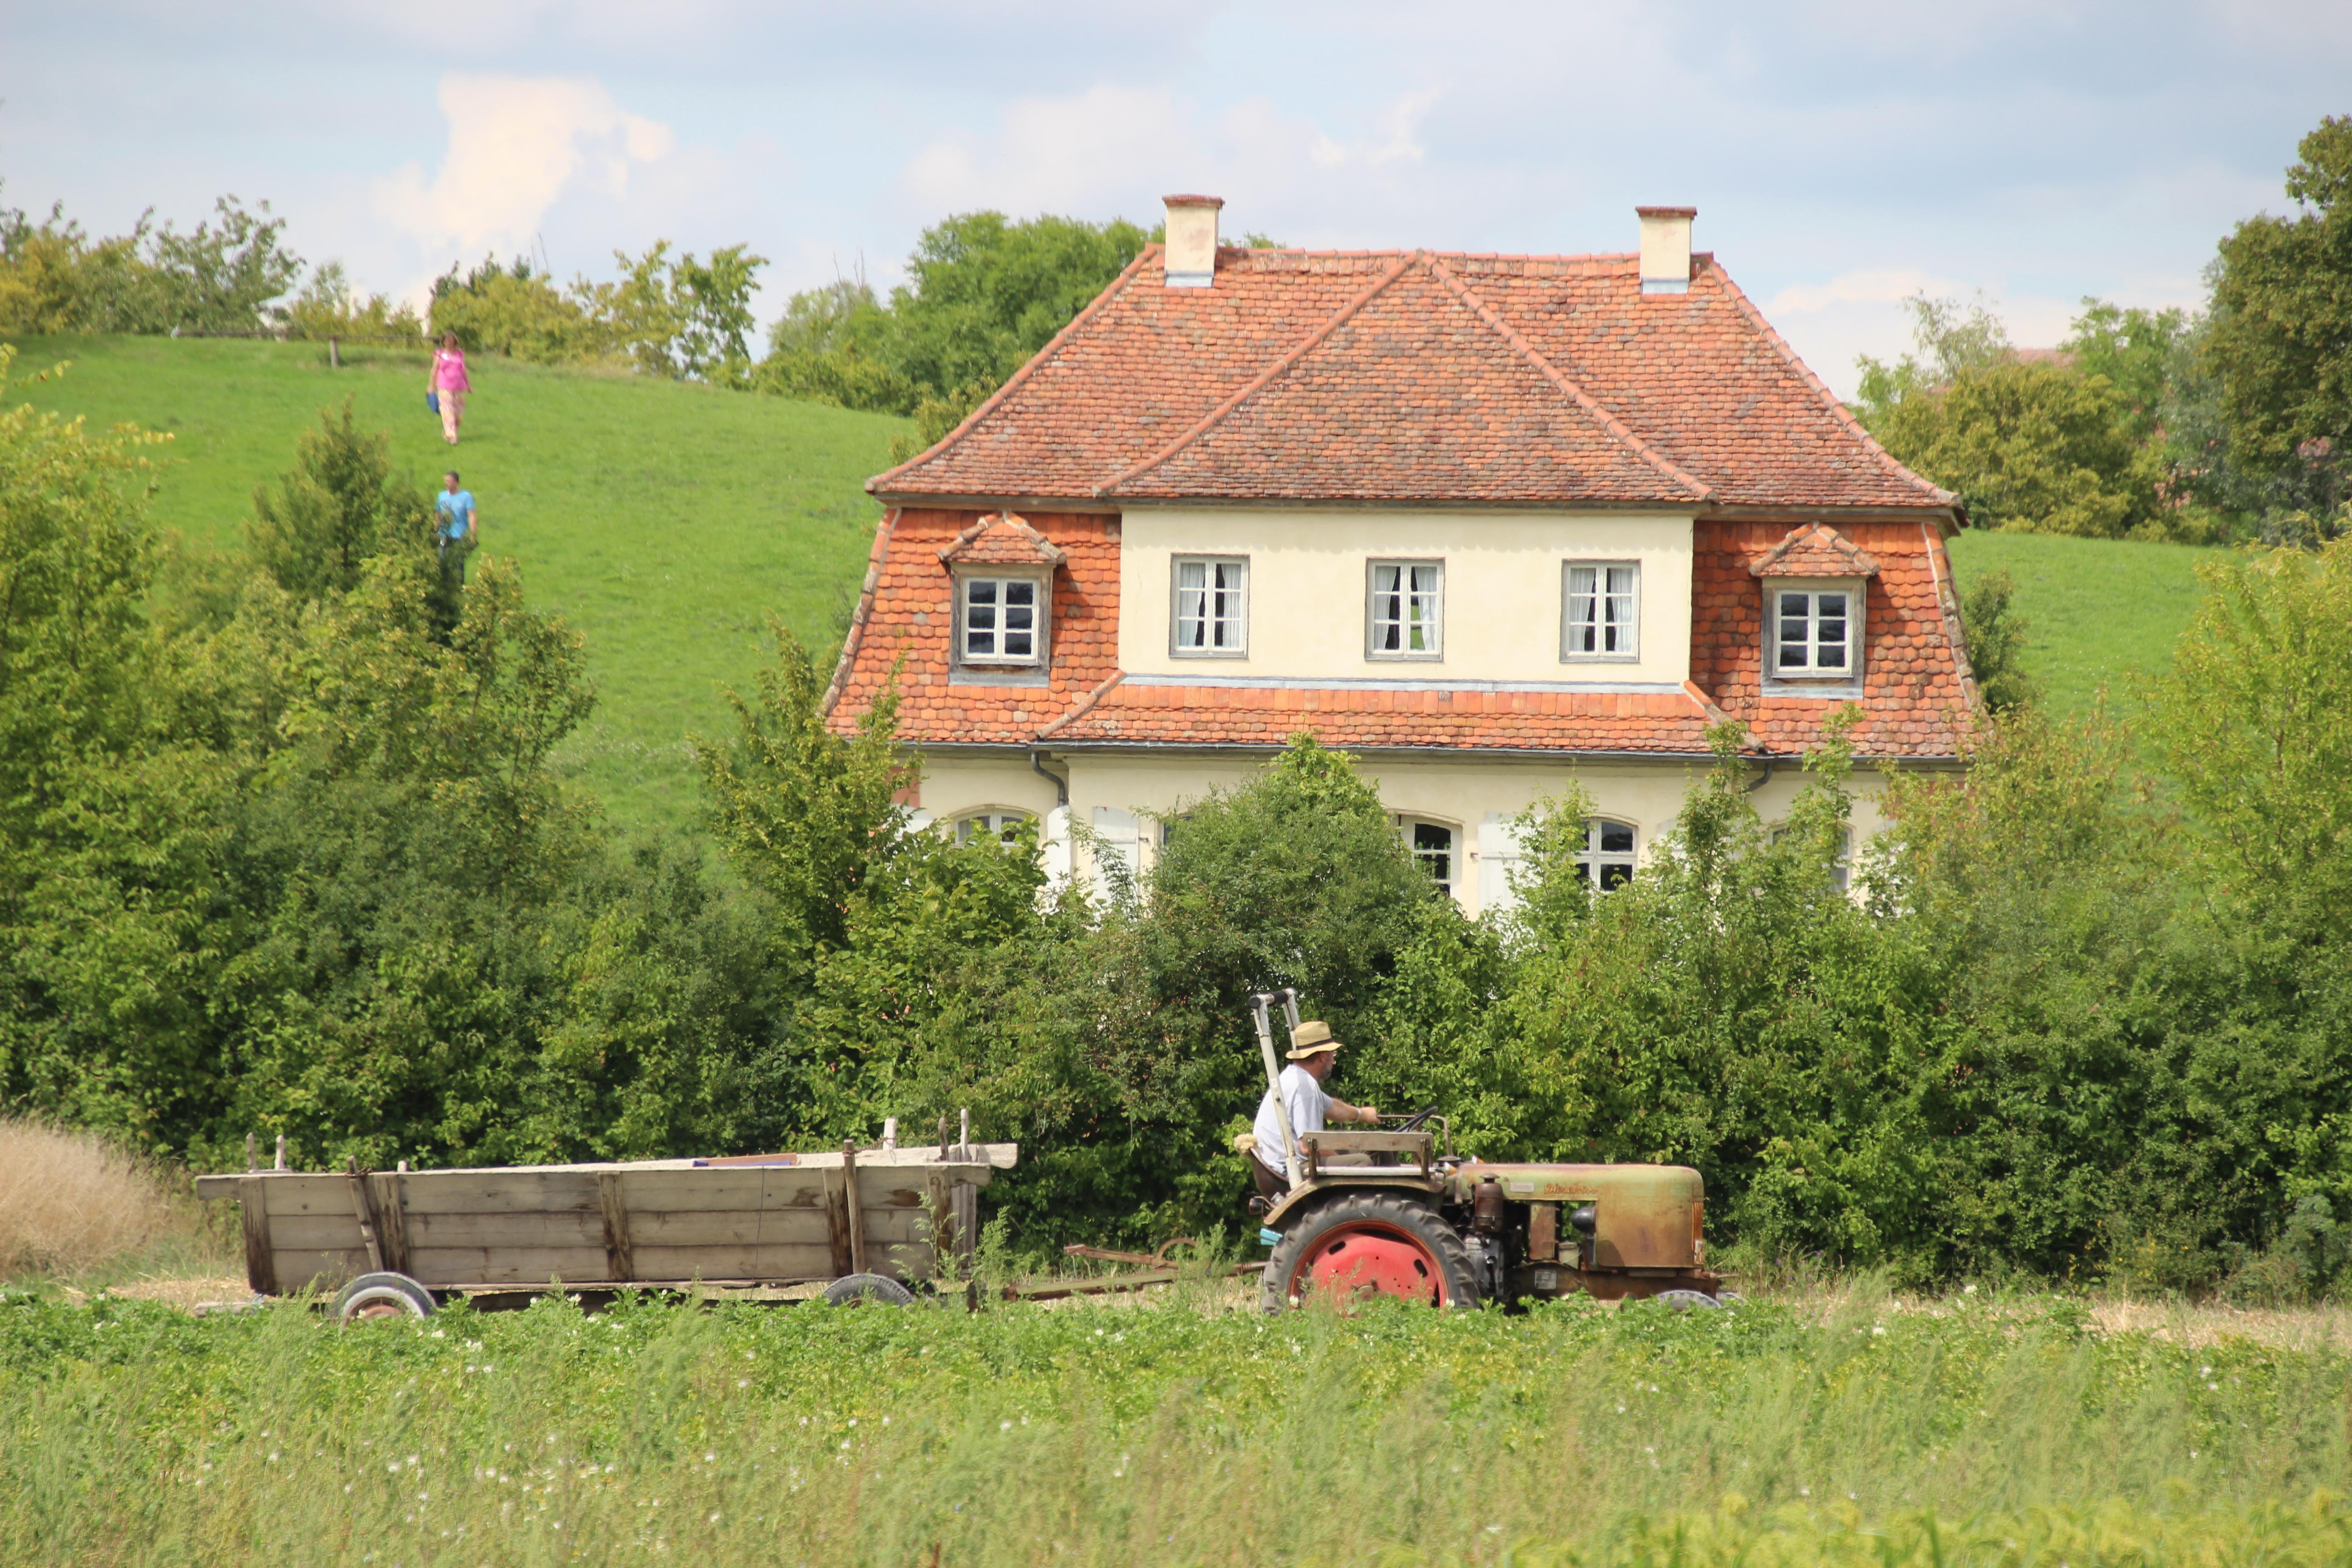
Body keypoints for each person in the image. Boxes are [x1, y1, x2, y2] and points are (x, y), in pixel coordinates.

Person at [1248, 1020, 1378, 1200]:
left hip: (1287, 1163)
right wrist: (1338, 1166)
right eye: (1333, 1053)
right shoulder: (1305, 1088)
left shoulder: (1295, 1077)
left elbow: (1332, 1107)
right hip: (1289, 1170)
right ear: (1323, 1056)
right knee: (1362, 1163)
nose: (1334, 1059)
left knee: (1373, 1149)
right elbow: (1309, 1146)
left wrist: (1362, 1115)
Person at [428, 332, 471, 444]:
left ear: (455, 342)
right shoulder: (440, 354)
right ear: (443, 342)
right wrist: (431, 386)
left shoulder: (459, 354)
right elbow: (434, 370)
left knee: (458, 413)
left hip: (459, 387)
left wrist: (469, 385)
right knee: (448, 411)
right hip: (444, 387)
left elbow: (464, 370)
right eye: (447, 341)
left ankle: (448, 432)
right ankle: (453, 437)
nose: (449, 343)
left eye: (451, 341)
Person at [435, 471, 477, 582]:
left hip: (459, 535)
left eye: (449, 481)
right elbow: (438, 514)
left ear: (456, 483)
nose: (446, 483)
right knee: (441, 561)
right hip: (444, 535)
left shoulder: (466, 497)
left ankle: (459, 588)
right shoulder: (441, 496)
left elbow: (471, 516)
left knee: (459, 565)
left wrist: (473, 535)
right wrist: (435, 529)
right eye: (446, 481)